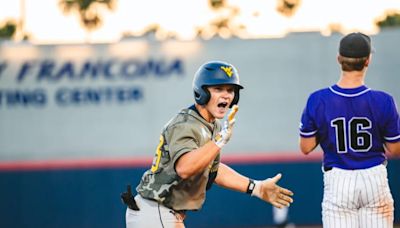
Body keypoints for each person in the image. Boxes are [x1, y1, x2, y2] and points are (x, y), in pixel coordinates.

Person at [122, 60, 294, 228]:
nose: (226, 95)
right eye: (218, 89)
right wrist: (219, 140)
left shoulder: (210, 124)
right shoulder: (186, 124)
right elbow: (185, 168)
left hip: (159, 213)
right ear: (201, 92)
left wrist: (256, 187)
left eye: (230, 90)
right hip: (155, 211)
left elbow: (212, 169)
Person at [299, 32, 400, 228]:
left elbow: (306, 147)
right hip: (374, 178)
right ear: (367, 61)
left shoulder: (318, 99)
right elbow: (395, 149)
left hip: (339, 180)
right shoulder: (383, 100)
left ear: (339, 59)